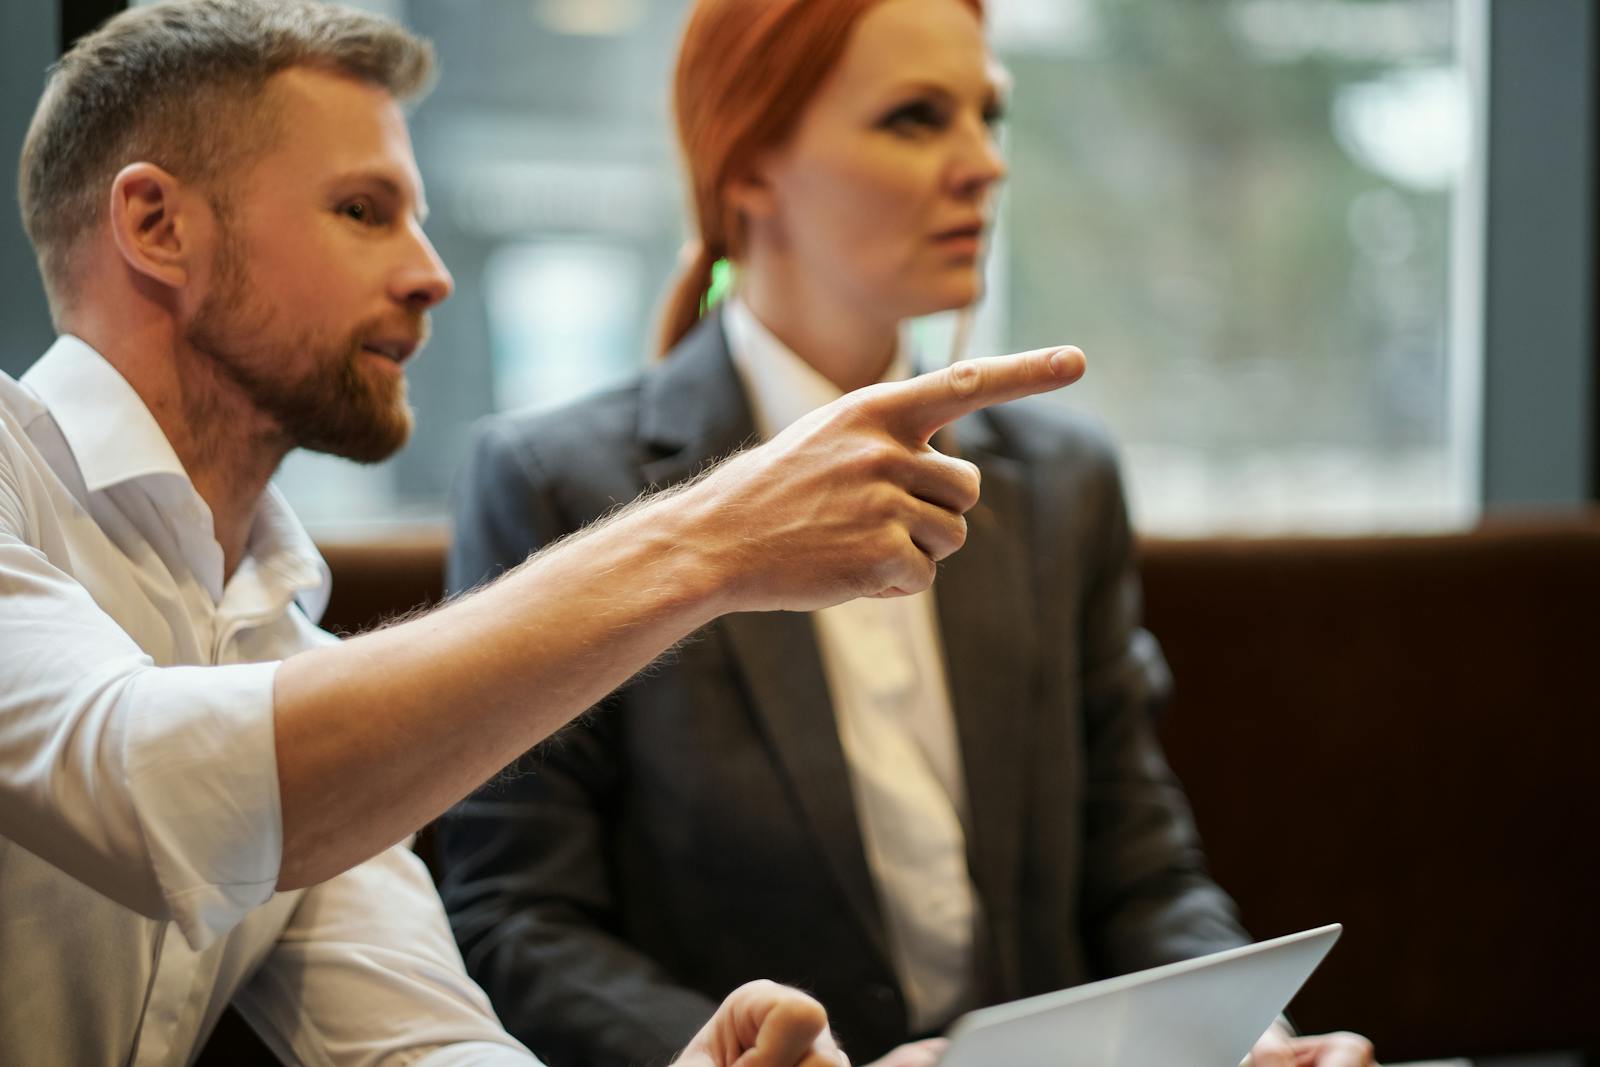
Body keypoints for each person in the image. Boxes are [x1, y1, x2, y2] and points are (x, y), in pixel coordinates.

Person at [0, 1, 1085, 1063]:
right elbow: (144, 778)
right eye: (364, 211)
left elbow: (423, 1043)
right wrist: (711, 538)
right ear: (156, 225)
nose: (430, 273)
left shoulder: (286, 651)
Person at [439, 3, 1378, 1067]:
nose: (984, 164)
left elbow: (1139, 869)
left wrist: (1245, 1034)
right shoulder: (563, 486)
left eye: (988, 115)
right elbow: (515, 916)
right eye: (916, 119)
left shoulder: (1060, 483)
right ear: (747, 164)